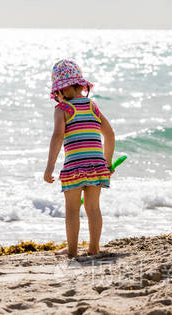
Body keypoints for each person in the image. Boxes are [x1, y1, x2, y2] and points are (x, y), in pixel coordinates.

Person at [44, 60, 115, 257]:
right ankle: (94, 249)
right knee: (93, 209)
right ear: (80, 85)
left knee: (72, 210)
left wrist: (49, 168)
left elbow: (57, 137)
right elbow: (110, 134)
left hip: (74, 167)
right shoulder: (92, 106)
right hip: (96, 167)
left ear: (60, 90)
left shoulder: (62, 110)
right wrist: (107, 163)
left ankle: (73, 252)